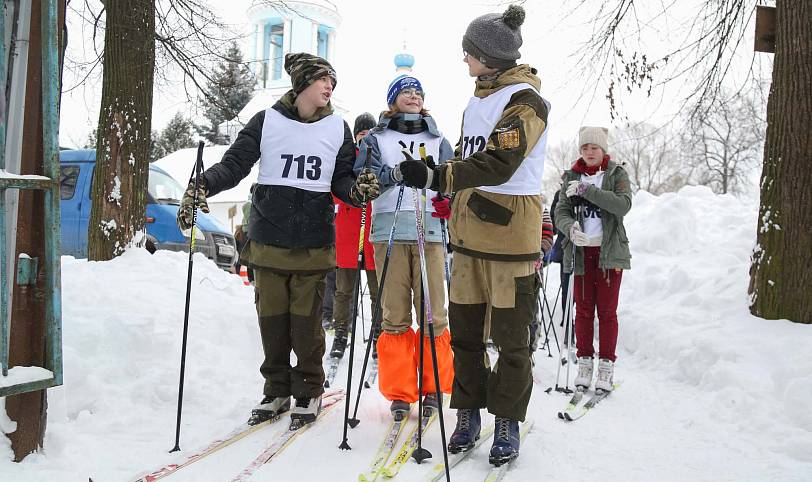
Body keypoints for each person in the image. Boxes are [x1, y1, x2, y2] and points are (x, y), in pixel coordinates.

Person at [176, 52, 381, 429]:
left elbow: (342, 181)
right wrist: (203, 185)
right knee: (271, 320)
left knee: (305, 324)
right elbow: (235, 164)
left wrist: (359, 191)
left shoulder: (338, 128)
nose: (329, 86)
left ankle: (308, 390)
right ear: (302, 84)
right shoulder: (266, 121)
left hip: (313, 243)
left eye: (332, 81)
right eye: (323, 79)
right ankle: (275, 390)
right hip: (269, 240)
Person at [394, 4, 550, 465]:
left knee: (511, 338)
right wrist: (440, 181)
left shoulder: (525, 100)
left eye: (469, 52)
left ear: (489, 55)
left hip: (508, 236)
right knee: (464, 334)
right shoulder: (478, 98)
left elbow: (501, 164)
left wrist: (437, 178)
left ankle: (506, 420)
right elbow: (471, 158)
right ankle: (468, 414)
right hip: (468, 236)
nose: (464, 59)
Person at [356, 75, 454, 421]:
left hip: (429, 229)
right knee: (394, 313)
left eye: (418, 92)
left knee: (432, 312)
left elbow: (452, 180)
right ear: (393, 100)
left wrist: (447, 200)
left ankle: (432, 386)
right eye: (405, 92)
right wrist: (393, 176)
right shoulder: (376, 139)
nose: (413, 96)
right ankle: (400, 391)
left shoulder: (438, 138)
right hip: (389, 230)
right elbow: (363, 181)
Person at [554, 126, 632, 393]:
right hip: (580, 252)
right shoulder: (571, 176)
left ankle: (606, 367)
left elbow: (622, 205)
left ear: (603, 150)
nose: (589, 152)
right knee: (583, 310)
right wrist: (570, 229)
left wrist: (587, 191)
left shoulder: (615, 174)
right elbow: (560, 211)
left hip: (609, 254)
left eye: (594, 148)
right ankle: (585, 362)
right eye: (585, 148)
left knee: (607, 312)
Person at [329, 113, 380, 358]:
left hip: (372, 231)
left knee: (377, 287)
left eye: (370, 133)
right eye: (362, 134)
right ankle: (341, 332)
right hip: (349, 230)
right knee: (344, 290)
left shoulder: (379, 157)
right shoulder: (347, 159)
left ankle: (379, 333)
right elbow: (336, 190)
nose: (366, 138)